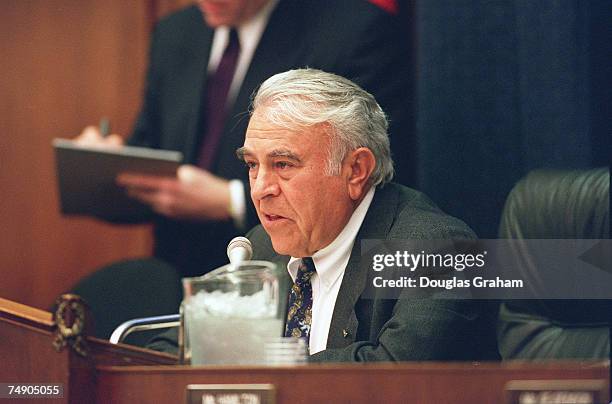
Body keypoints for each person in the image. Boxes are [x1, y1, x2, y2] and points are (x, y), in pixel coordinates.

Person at [149, 68, 499, 361]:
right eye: (253, 165)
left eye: (283, 164)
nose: (260, 189)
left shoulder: (439, 252)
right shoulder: (262, 247)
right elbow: (179, 347)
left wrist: (261, 366)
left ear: (356, 170)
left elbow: (394, 378)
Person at [76, 0, 414, 277]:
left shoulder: (354, 29)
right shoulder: (175, 32)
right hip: (177, 272)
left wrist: (232, 200)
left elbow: (376, 172)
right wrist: (103, 167)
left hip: (294, 274)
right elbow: (153, 151)